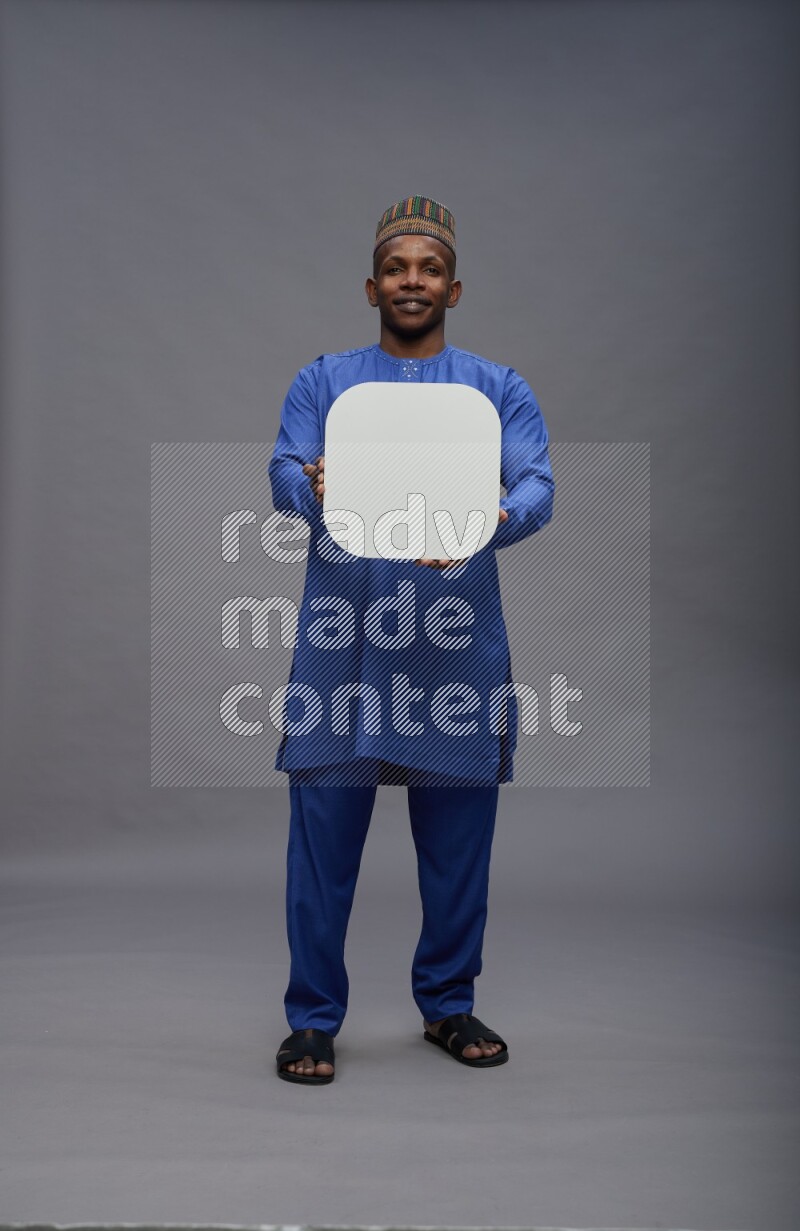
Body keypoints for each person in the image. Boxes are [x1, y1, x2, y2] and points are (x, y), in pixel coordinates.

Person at [269, 196, 554, 1084]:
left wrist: (491, 518)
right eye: (397, 268)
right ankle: (312, 1018)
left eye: (428, 269)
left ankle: (450, 1003)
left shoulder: (496, 388)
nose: (412, 281)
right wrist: (314, 483)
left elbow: (539, 485)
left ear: (454, 287)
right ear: (371, 286)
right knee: (322, 842)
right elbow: (285, 471)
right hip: (343, 641)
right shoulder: (326, 382)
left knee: (459, 841)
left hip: (453, 643)